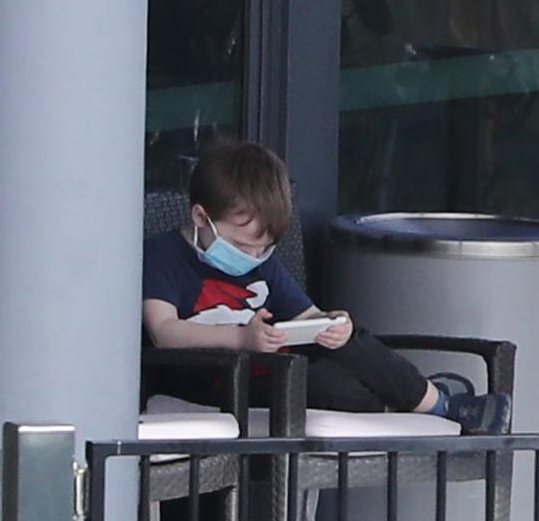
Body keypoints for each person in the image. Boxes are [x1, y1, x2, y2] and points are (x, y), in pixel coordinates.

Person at [142, 141, 512, 433]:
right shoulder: (163, 255)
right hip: (213, 380)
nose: (254, 256)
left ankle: (440, 404)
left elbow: (307, 315)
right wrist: (241, 339)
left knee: (350, 338)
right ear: (200, 217)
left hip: (272, 369)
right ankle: (420, 398)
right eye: (242, 246)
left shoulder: (262, 266)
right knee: (321, 384)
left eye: (264, 247)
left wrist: (329, 326)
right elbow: (164, 331)